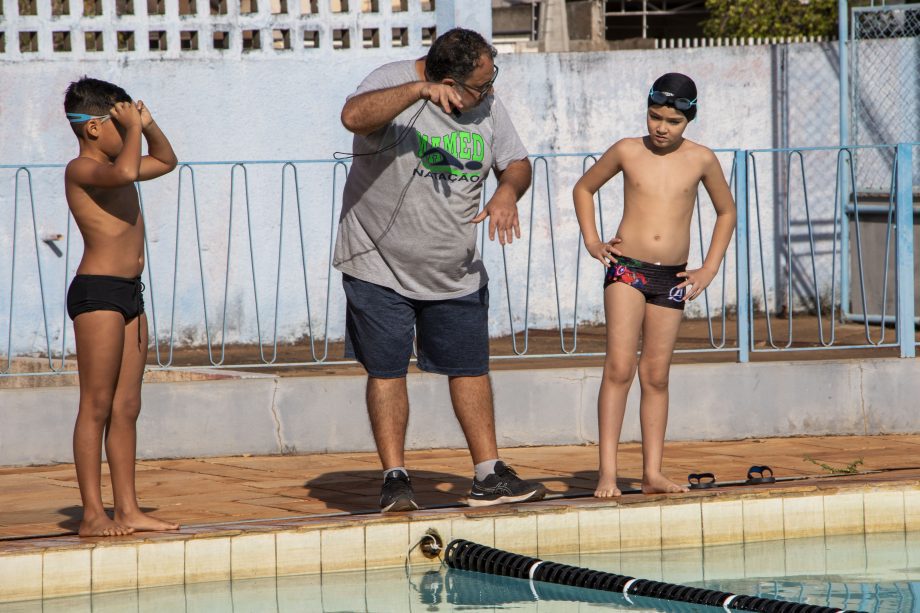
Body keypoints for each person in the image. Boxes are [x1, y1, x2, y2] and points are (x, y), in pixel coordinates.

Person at [335, 28, 546, 512]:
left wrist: (508, 191)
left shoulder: (487, 106)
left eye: (492, 82)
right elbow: (352, 117)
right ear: (447, 79)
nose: (489, 93)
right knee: (387, 370)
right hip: (377, 262)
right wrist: (418, 91)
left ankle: (488, 474)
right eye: (480, 85)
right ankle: (395, 479)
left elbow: (516, 162)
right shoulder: (394, 84)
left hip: (454, 269)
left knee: (469, 368)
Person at [572, 73, 736, 498]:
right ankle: (607, 474)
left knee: (657, 376)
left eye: (672, 121)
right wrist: (593, 239)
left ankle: (652, 473)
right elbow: (584, 188)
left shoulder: (701, 159)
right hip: (627, 268)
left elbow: (726, 212)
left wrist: (709, 268)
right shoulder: (628, 150)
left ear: (690, 120)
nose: (661, 128)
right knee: (620, 367)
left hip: (673, 278)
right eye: (654, 117)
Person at [64, 77, 179, 536]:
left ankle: (128, 509)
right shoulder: (82, 169)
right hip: (98, 294)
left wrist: (145, 126)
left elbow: (167, 161)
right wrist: (133, 131)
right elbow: (127, 174)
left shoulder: (121, 159)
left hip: (131, 293)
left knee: (127, 405)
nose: (127, 128)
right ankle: (93, 514)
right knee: (95, 404)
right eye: (117, 120)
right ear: (93, 128)